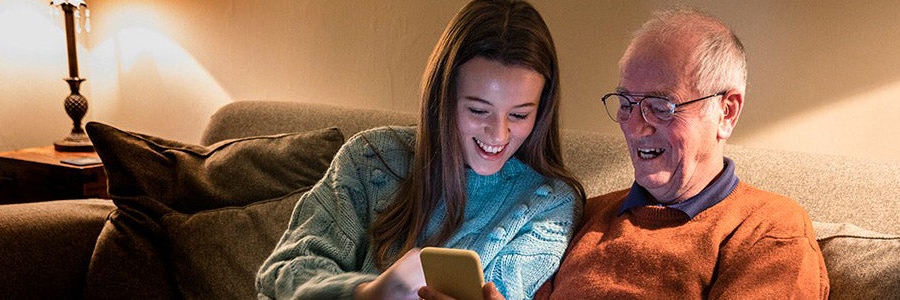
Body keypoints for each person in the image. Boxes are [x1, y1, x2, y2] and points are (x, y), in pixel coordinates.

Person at [256, 0, 585, 299]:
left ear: (541, 111)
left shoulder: (550, 202)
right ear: (444, 97)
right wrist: (365, 294)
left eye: (519, 115)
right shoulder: (371, 158)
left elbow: (510, 289)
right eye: (478, 110)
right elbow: (284, 272)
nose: (498, 133)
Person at [535, 9, 829, 298]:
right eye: (626, 104)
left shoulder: (768, 230)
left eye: (661, 107)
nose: (635, 128)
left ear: (726, 112)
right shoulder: (581, 215)